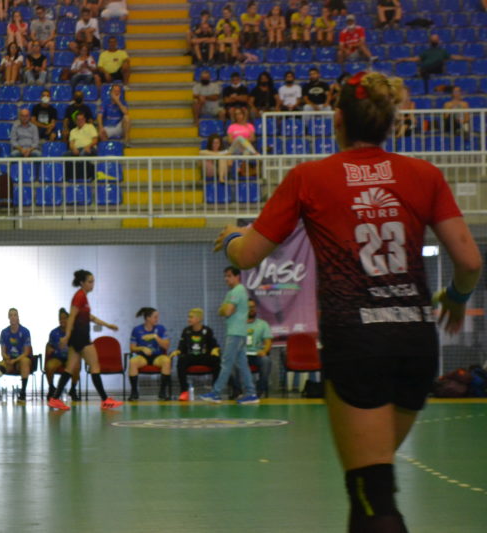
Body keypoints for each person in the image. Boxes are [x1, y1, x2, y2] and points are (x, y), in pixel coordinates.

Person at [215, 70, 482, 532]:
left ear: (337, 119)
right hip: (416, 341)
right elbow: (470, 260)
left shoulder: (309, 178)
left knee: (372, 492)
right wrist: (456, 298)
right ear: (390, 122)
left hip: (357, 341)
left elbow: (251, 254)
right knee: (375, 484)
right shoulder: (425, 175)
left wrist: (235, 237)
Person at [47, 270, 123, 411]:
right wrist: (67, 335)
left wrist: (108, 325)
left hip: (77, 338)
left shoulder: (83, 297)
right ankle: (105, 400)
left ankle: (55, 399)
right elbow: (71, 317)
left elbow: (90, 317)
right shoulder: (79, 296)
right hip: (80, 338)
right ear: (82, 282)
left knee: (69, 368)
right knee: (95, 366)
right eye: (90, 281)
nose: (92, 284)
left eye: (93, 281)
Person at [199, 267, 259, 404]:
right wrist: (223, 309)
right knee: (242, 364)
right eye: (225, 276)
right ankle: (251, 393)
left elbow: (226, 311)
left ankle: (216, 393)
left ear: (237, 276)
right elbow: (224, 310)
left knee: (226, 363)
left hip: (235, 333)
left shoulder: (237, 291)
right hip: (239, 332)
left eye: (229, 276)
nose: (227, 279)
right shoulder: (235, 291)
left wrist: (223, 309)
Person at [171, 308, 220, 401]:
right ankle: (184, 391)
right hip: (191, 357)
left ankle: (215, 391)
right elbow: (181, 347)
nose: (188, 319)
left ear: (198, 319)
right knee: (181, 361)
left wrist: (215, 350)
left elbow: (214, 345)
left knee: (216, 360)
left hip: (203, 357)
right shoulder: (186, 331)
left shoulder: (207, 330)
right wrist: (177, 351)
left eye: (191, 317)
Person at [398, 35, 474, 94]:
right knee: (423, 69)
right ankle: (423, 75)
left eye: (435, 39)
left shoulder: (442, 51)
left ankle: (422, 72)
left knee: (432, 64)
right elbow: (416, 59)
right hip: (426, 69)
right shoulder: (426, 52)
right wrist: (404, 59)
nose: (434, 40)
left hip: (437, 68)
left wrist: (466, 58)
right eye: (433, 39)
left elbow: (453, 57)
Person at [127, 307, 171, 401]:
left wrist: (156, 337)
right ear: (148, 318)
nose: (157, 319)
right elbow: (132, 348)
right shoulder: (137, 329)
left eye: (157, 317)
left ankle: (162, 392)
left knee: (166, 361)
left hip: (157, 356)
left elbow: (166, 346)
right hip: (143, 357)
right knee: (132, 361)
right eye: (155, 317)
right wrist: (142, 348)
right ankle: (134, 392)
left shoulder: (161, 328)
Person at [45, 308, 81, 401]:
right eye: (60, 318)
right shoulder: (54, 333)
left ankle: (73, 389)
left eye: (65, 318)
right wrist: (49, 349)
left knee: (76, 366)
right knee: (49, 366)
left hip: (70, 358)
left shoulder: (75, 332)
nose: (62, 320)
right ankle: (52, 388)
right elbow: (49, 346)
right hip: (58, 358)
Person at [243, 299, 272, 398]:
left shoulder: (263, 324)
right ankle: (237, 391)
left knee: (266, 361)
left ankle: (259, 390)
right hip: (242, 356)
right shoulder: (238, 324)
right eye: (249, 307)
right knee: (230, 363)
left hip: (257, 354)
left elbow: (268, 342)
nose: (251, 309)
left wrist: (264, 351)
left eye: (253, 307)